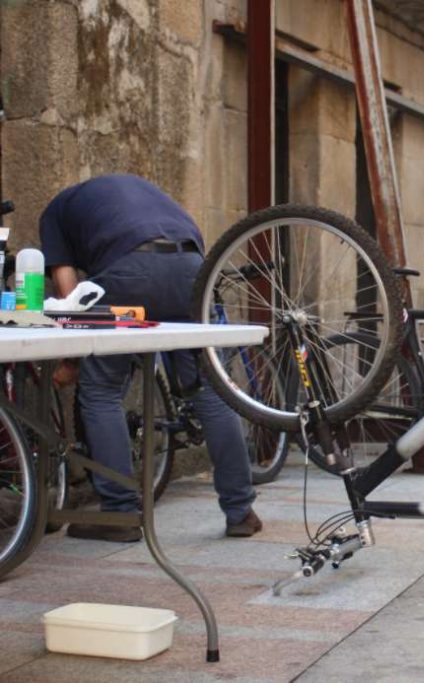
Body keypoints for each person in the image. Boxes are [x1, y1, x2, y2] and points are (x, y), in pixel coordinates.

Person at [39, 174, 262, 542]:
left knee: (101, 392)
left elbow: (69, 298)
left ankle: (121, 514)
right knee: (209, 390)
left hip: (129, 272)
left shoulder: (55, 212)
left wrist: (72, 363)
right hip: (192, 268)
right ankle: (241, 511)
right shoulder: (142, 193)